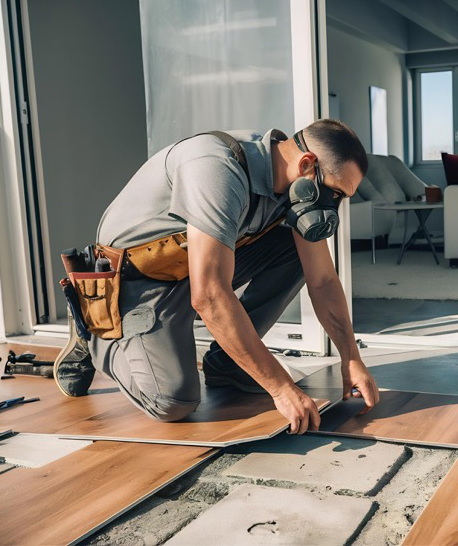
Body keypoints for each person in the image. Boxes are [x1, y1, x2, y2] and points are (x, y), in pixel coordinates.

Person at [53, 119, 379, 434]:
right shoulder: (217, 167)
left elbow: (322, 280)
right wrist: (280, 388)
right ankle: (93, 326)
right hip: (138, 279)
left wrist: (351, 358)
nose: (333, 207)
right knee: (173, 401)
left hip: (194, 268)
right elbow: (209, 296)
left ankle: (228, 365)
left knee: (295, 250)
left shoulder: (296, 191)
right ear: (307, 164)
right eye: (334, 193)